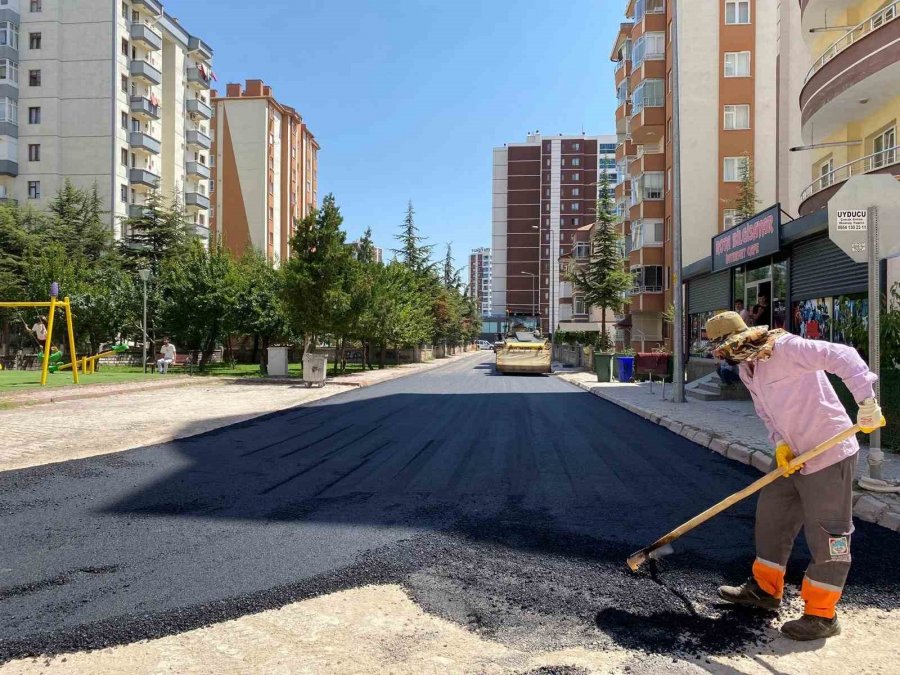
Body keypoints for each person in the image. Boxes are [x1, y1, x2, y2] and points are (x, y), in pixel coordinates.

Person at [706, 311, 884, 641]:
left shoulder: (787, 348)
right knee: (772, 517)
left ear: (743, 341)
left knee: (829, 534)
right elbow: (767, 413)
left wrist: (867, 402)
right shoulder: (747, 369)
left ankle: (822, 614)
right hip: (795, 456)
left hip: (829, 453)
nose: (724, 357)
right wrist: (781, 445)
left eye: (726, 350)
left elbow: (844, 355)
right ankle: (765, 590)